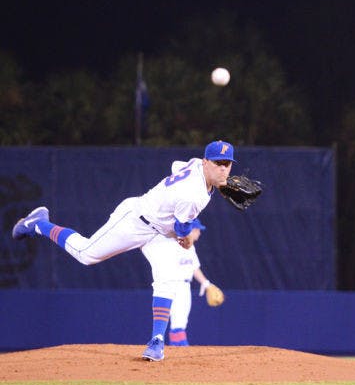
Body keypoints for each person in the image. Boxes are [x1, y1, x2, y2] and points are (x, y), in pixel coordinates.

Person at [11, 140, 236, 362]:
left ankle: (157, 340)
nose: (224, 168)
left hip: (158, 231)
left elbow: (176, 166)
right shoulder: (192, 196)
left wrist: (218, 184)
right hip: (136, 221)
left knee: (168, 277)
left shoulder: (195, 164)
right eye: (218, 163)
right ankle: (39, 224)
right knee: (86, 254)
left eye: (227, 163)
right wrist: (186, 241)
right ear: (206, 162)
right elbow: (181, 231)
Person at [160, 218, 219, 347]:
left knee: (180, 320)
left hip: (184, 285)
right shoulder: (173, 244)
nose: (199, 233)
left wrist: (206, 283)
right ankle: (182, 348)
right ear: (190, 230)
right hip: (172, 284)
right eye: (197, 230)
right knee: (178, 320)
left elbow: (194, 268)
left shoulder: (190, 247)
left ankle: (177, 347)